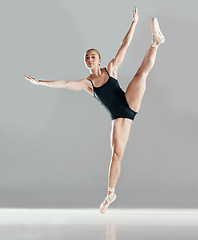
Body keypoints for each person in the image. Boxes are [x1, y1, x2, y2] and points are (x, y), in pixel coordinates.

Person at [24, 6, 165, 214]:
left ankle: (155, 42)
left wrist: (134, 23)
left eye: (93, 56)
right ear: (87, 63)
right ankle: (111, 193)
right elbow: (63, 83)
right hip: (119, 117)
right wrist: (40, 83)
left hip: (129, 101)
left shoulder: (112, 68)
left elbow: (124, 45)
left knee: (141, 75)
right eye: (87, 58)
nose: (90, 60)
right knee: (116, 155)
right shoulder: (87, 84)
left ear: (99, 59)